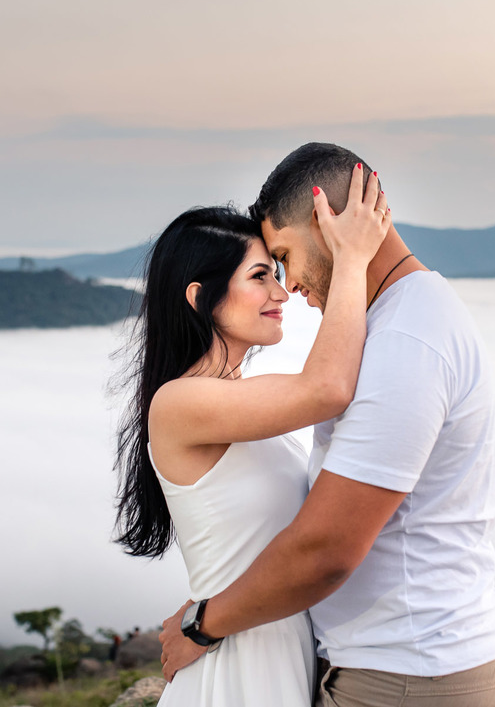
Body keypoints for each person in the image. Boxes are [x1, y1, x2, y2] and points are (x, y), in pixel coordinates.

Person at [159, 142, 495, 706]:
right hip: (385, 662)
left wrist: (203, 623)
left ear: (330, 222)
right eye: (264, 272)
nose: (289, 288)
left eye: (282, 257)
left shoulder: (405, 339)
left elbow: (326, 549)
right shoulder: (402, 322)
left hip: (408, 670)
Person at [113, 166, 391, 706]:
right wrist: (353, 258)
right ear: (200, 298)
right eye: (261, 276)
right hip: (237, 668)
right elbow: (328, 388)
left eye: (277, 272)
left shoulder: (244, 399)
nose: (282, 293)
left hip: (270, 647)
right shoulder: (180, 402)